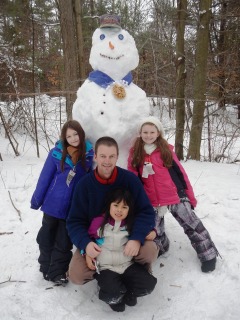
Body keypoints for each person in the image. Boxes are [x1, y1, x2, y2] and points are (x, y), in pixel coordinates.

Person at [127, 116, 219, 273]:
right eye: (145, 132)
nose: (148, 135)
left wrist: (190, 196)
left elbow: (180, 173)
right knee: (154, 229)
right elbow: (133, 177)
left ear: (158, 133)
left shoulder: (165, 150)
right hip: (151, 199)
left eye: (152, 132)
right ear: (140, 133)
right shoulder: (136, 153)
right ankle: (162, 244)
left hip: (174, 195)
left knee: (192, 224)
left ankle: (208, 254)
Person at [66, 136, 158, 285]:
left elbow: (146, 212)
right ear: (95, 156)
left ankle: (135, 271)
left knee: (149, 252)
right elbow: (74, 222)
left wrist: (136, 238)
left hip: (125, 237)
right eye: (102, 156)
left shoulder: (130, 180)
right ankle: (107, 277)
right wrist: (86, 245)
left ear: (117, 157)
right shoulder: (84, 185)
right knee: (77, 275)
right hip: (98, 241)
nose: (107, 161)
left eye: (111, 156)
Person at [30, 120, 94, 285]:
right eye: (69, 136)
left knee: (64, 241)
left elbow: (90, 184)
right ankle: (45, 265)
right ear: (64, 138)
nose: (73, 138)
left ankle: (57, 272)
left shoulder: (89, 156)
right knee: (46, 236)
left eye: (76, 134)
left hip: (72, 209)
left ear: (81, 134)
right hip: (52, 205)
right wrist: (37, 199)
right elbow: (45, 178)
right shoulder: (56, 153)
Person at [86, 188, 157, 312]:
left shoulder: (131, 222)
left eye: (124, 207)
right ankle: (116, 298)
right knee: (112, 293)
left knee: (148, 284)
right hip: (106, 267)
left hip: (127, 264)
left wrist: (153, 232)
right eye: (116, 205)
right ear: (109, 205)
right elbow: (88, 238)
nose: (119, 210)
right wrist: (86, 251)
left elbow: (146, 228)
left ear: (129, 209)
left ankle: (129, 292)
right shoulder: (99, 222)